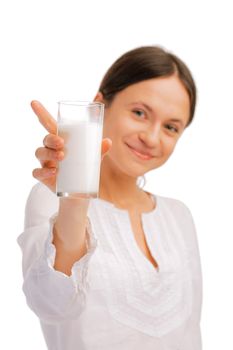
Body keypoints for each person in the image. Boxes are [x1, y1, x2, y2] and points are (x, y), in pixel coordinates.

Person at [17, 46, 203, 350]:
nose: (152, 138)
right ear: (100, 106)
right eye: (140, 113)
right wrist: (75, 198)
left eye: (171, 127)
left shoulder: (178, 215)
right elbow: (51, 305)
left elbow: (191, 332)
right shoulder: (52, 199)